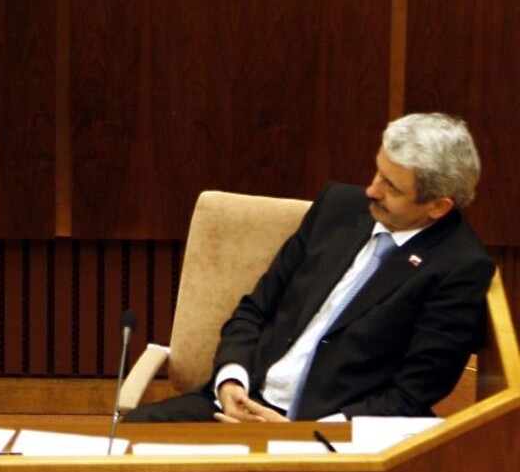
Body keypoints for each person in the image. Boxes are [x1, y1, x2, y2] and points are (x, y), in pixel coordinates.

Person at [126, 113, 494, 423]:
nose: (371, 190)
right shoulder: (338, 206)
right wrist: (231, 382)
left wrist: (303, 434)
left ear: (438, 207)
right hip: (239, 405)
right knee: (133, 438)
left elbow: (409, 396)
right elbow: (255, 310)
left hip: (332, 435)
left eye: (392, 187)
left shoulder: (460, 268)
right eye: (378, 172)